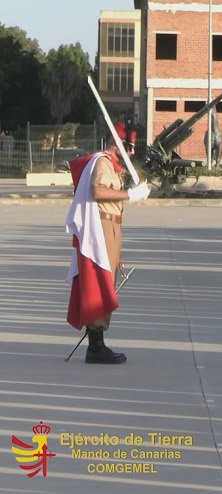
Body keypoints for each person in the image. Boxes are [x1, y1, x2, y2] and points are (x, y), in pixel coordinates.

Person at [65, 122, 151, 364]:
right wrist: (130, 195)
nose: (132, 152)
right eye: (129, 146)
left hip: (111, 226)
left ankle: (97, 342)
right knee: (99, 283)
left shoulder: (113, 165)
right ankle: (96, 345)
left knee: (105, 283)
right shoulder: (103, 162)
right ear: (116, 143)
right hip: (102, 226)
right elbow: (98, 192)